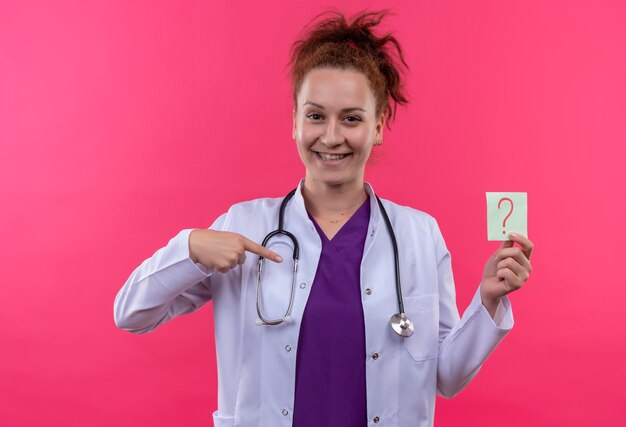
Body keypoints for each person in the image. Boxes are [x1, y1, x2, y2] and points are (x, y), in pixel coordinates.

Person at [113, 8, 534, 427]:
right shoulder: (243, 226)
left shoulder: (419, 235)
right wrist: (189, 248)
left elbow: (446, 377)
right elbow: (131, 314)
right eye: (315, 115)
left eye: (352, 118)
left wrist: (489, 300)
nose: (331, 137)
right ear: (294, 122)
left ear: (380, 125)